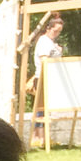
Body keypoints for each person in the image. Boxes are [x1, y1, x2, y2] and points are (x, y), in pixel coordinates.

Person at [28, 15, 66, 144]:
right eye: (55, 31)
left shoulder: (50, 42)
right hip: (43, 77)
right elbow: (44, 60)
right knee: (41, 108)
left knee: (45, 108)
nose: (57, 34)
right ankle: (39, 136)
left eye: (59, 32)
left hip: (51, 78)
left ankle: (42, 135)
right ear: (48, 28)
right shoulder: (44, 41)